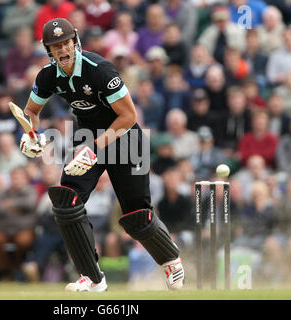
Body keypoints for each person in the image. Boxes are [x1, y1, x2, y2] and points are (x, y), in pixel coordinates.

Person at [20, 18, 184, 292]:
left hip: (126, 138)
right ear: (48, 50)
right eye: (55, 46)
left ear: (75, 42)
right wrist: (30, 135)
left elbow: (129, 115)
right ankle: (92, 277)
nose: (62, 50)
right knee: (66, 201)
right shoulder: (48, 75)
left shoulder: (100, 70)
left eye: (66, 43)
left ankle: (170, 259)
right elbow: (31, 111)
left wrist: (96, 148)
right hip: (88, 136)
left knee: (136, 217)